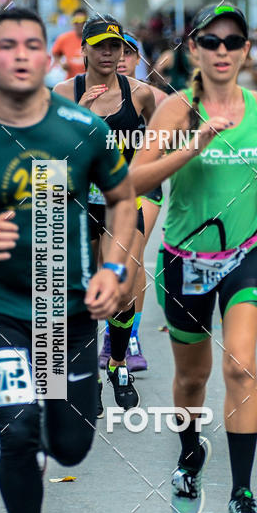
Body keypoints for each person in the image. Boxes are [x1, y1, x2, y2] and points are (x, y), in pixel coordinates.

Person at [0, 7, 136, 513]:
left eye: (31, 44)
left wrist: (113, 269)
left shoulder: (81, 129)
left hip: (67, 315)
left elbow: (122, 199)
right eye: (6, 44)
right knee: (16, 433)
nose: (19, 54)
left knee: (68, 445)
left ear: (47, 57)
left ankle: (55, 429)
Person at [130, 2, 257, 513]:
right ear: (194, 50)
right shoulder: (176, 110)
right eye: (210, 41)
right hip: (184, 259)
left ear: (246, 50)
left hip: (246, 252)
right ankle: (188, 457)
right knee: (192, 376)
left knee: (240, 367)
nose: (221, 51)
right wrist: (193, 145)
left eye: (232, 42)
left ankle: (243, 495)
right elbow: (135, 180)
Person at [54, 16, 156, 411]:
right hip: (79, 203)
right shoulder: (65, 92)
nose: (108, 53)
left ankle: (116, 363)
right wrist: (78, 116)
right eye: (99, 46)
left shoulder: (141, 94)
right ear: (83, 50)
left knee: (123, 289)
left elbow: (163, 135)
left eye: (115, 46)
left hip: (123, 204)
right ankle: (89, 377)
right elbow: (51, 156)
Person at [118, 30, 167, 371]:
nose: (120, 58)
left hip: (143, 186)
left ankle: (128, 337)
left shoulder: (155, 97)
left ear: (138, 59)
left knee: (132, 256)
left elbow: (176, 140)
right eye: (114, 50)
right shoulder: (83, 95)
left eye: (128, 52)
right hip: (99, 190)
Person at [50, 8, 87, 79]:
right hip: (71, 81)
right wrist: (61, 64)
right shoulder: (64, 38)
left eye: (83, 22)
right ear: (72, 22)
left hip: (90, 82)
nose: (80, 24)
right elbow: (55, 54)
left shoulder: (93, 39)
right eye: (76, 21)